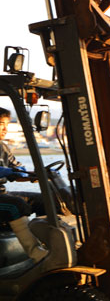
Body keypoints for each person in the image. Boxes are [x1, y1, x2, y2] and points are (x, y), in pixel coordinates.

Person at [0, 107, 48, 262]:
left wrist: (33, 175)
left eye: (7, 124)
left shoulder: (3, 147)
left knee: (44, 199)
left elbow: (16, 170)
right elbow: (6, 171)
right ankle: (37, 255)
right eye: (1, 124)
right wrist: (6, 172)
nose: (6, 129)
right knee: (16, 205)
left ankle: (50, 247)